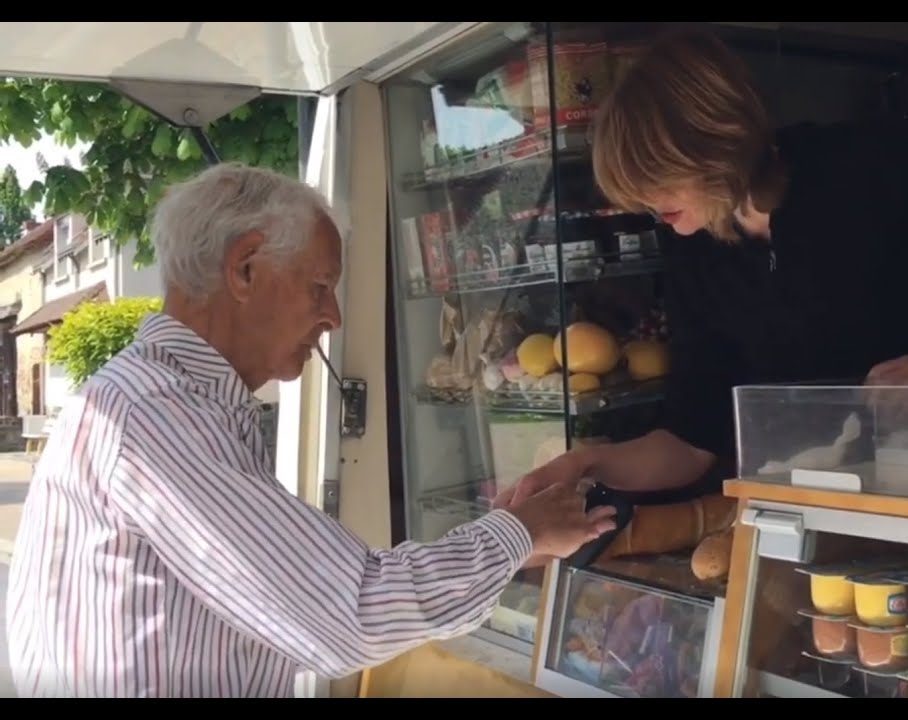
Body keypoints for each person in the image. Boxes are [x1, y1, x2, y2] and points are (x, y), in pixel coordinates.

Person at [4, 163, 616, 698]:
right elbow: (350, 613)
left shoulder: (155, 401)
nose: (334, 316)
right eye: (320, 286)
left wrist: (514, 545)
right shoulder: (155, 419)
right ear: (244, 268)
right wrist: (514, 534)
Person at [500, 29, 908, 506]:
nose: (649, 204)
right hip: (887, 494)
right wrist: (589, 463)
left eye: (658, 178)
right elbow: (693, 439)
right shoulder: (694, 246)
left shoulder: (866, 168)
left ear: (711, 139)